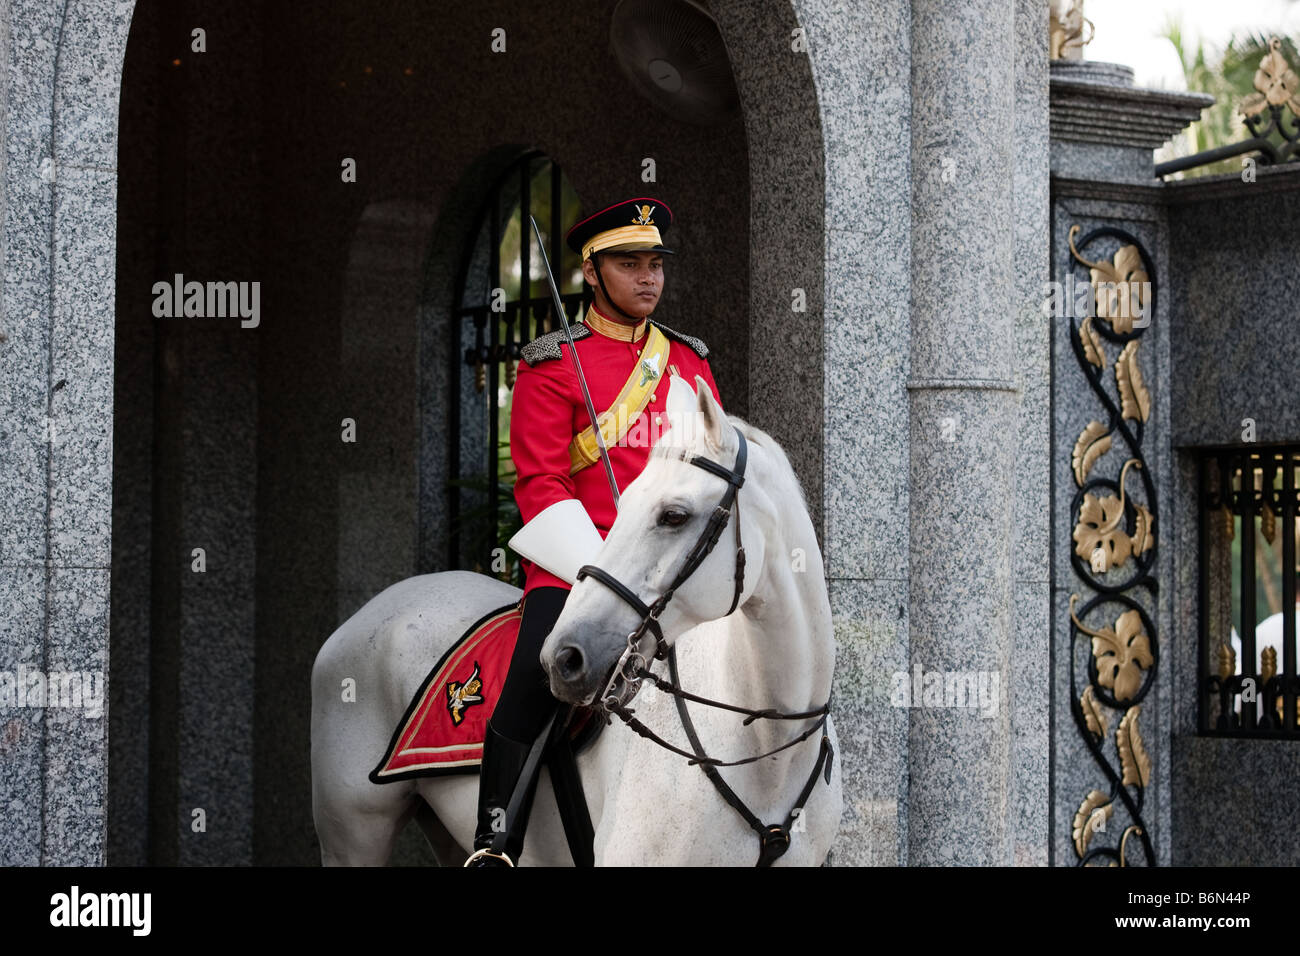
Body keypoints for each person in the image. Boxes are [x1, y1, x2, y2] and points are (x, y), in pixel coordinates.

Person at [465, 197, 724, 866]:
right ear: (590, 271)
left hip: (668, 569)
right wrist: (599, 569)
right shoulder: (552, 365)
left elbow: (711, 478)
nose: (648, 279)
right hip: (578, 567)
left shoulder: (689, 365)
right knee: (535, 678)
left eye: (656, 265)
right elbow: (540, 484)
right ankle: (495, 841)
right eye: (629, 264)